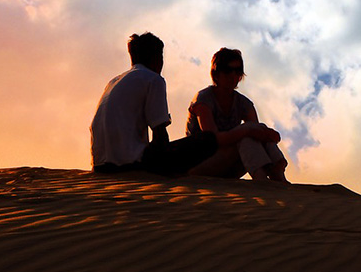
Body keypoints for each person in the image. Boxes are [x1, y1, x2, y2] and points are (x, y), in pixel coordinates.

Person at [90, 33, 279, 176]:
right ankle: (271, 178)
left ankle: (274, 172)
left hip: (100, 165)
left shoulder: (114, 81)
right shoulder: (153, 79)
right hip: (131, 164)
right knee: (207, 139)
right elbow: (159, 132)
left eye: (237, 71)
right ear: (157, 58)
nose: (234, 75)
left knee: (248, 134)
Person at [186, 48, 288, 182]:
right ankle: (262, 179)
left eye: (237, 71)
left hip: (230, 166)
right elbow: (213, 140)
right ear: (216, 74)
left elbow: (258, 135)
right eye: (228, 70)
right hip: (199, 165)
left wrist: (266, 134)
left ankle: (277, 174)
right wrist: (246, 131)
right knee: (247, 134)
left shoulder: (244, 103)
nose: (233, 75)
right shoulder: (203, 99)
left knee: (254, 131)